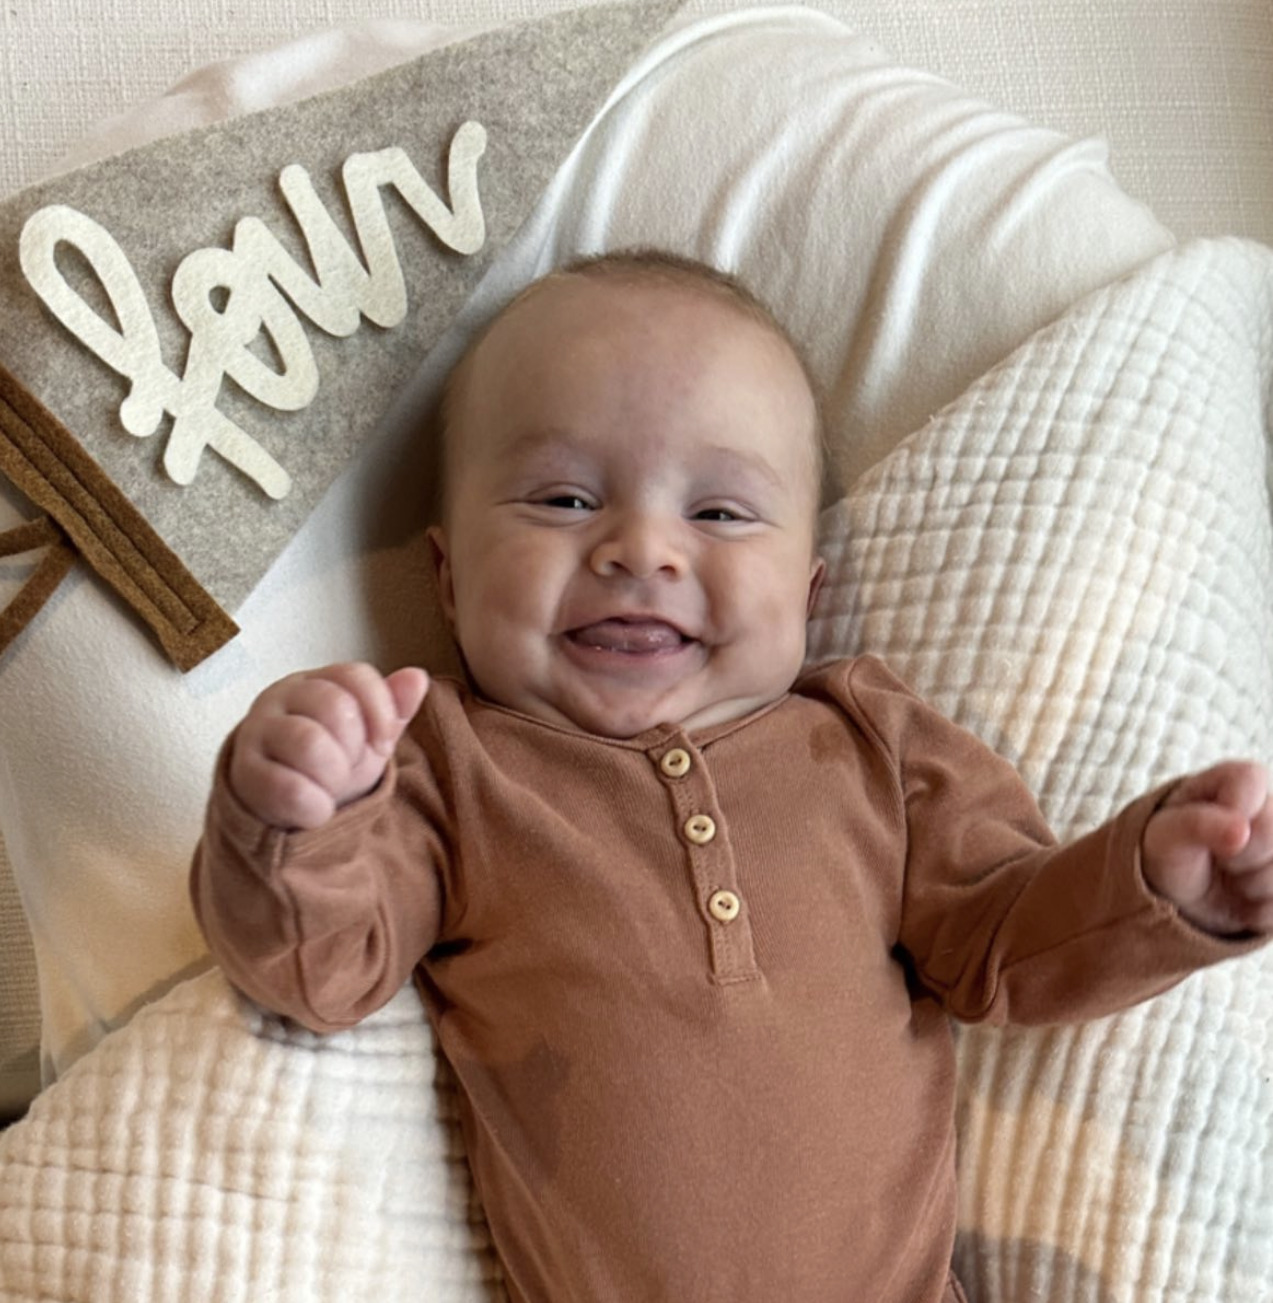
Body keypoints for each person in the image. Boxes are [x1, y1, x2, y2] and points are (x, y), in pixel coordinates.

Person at [191, 250, 1273, 1303]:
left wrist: (1151, 883)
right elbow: (316, 969)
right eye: (564, 499)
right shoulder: (448, 766)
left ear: (806, 594)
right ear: (446, 575)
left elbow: (1005, 942)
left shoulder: (869, 744)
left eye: (716, 513)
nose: (642, 550)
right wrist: (293, 815)